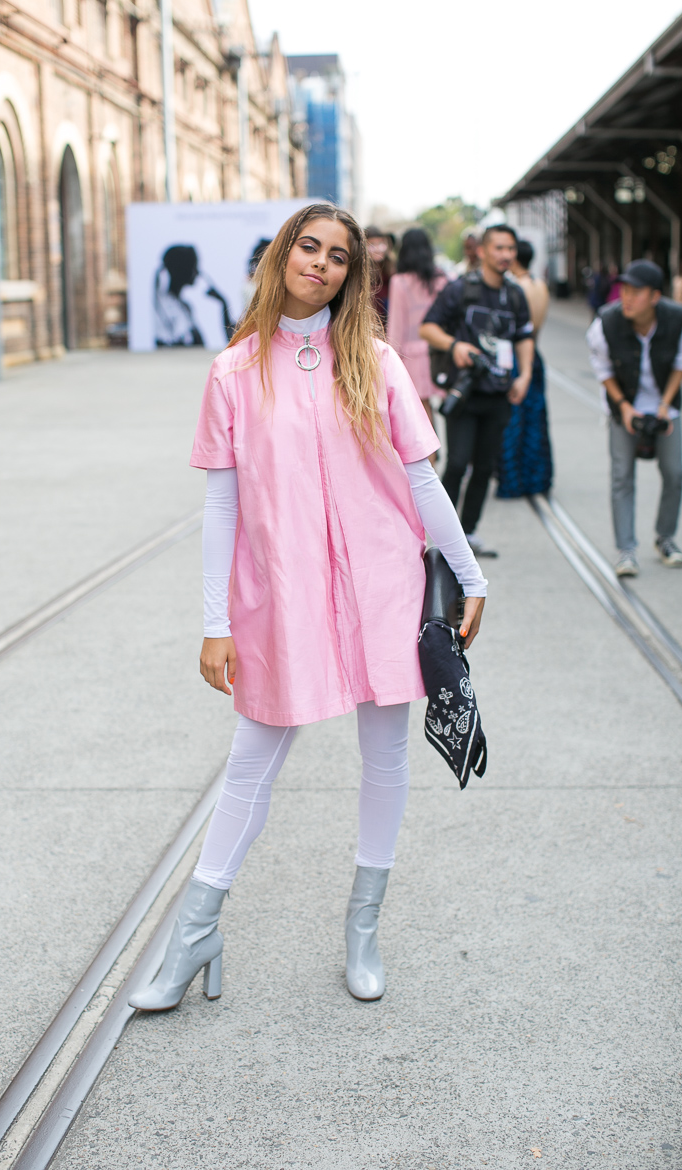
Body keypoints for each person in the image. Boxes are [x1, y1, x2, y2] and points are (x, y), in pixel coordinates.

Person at [129, 202, 487, 1013]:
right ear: (283, 253)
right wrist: (215, 621)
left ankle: (362, 931)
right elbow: (221, 507)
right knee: (252, 761)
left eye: (337, 255)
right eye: (308, 245)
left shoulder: (377, 361)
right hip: (281, 593)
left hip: (383, 587)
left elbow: (422, 478)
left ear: (352, 272)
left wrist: (472, 576)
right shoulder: (234, 370)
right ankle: (194, 935)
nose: (320, 263)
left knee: (384, 756)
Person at [420, 224, 534, 555]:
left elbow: (524, 336)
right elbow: (428, 327)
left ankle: (468, 532)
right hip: (466, 392)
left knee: (485, 466)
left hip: (500, 393)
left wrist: (524, 375)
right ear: (482, 251)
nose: (506, 255)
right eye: (498, 248)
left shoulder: (514, 294)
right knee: (456, 463)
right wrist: (454, 345)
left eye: (510, 249)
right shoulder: (460, 289)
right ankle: (442, 535)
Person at [586, 258, 682, 577]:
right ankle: (626, 549)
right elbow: (603, 370)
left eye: (636, 292)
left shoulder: (677, 319)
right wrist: (625, 407)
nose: (626, 297)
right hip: (622, 405)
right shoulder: (606, 322)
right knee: (621, 476)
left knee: (674, 472)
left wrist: (664, 405)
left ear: (655, 296)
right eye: (624, 290)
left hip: (664, 405)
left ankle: (665, 538)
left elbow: (680, 364)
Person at [496, 239, 553, 498]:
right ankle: (537, 477)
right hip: (536, 356)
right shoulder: (541, 285)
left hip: (517, 356)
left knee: (514, 421)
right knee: (536, 420)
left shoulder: (514, 288)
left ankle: (514, 478)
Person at [387, 228, 449, 439]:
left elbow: (396, 324)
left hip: (411, 356)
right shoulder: (441, 279)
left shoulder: (400, 281)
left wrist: (389, 360)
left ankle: (431, 463)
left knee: (422, 413)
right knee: (448, 406)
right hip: (440, 351)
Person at [154, 244, 234, 348]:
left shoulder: (184, 307)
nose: (197, 272)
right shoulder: (168, 308)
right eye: (194, 266)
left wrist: (223, 303)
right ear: (183, 269)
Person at [365, 225, 394, 326]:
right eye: (372, 244)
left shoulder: (392, 269)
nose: (378, 249)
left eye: (381, 243)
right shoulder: (360, 271)